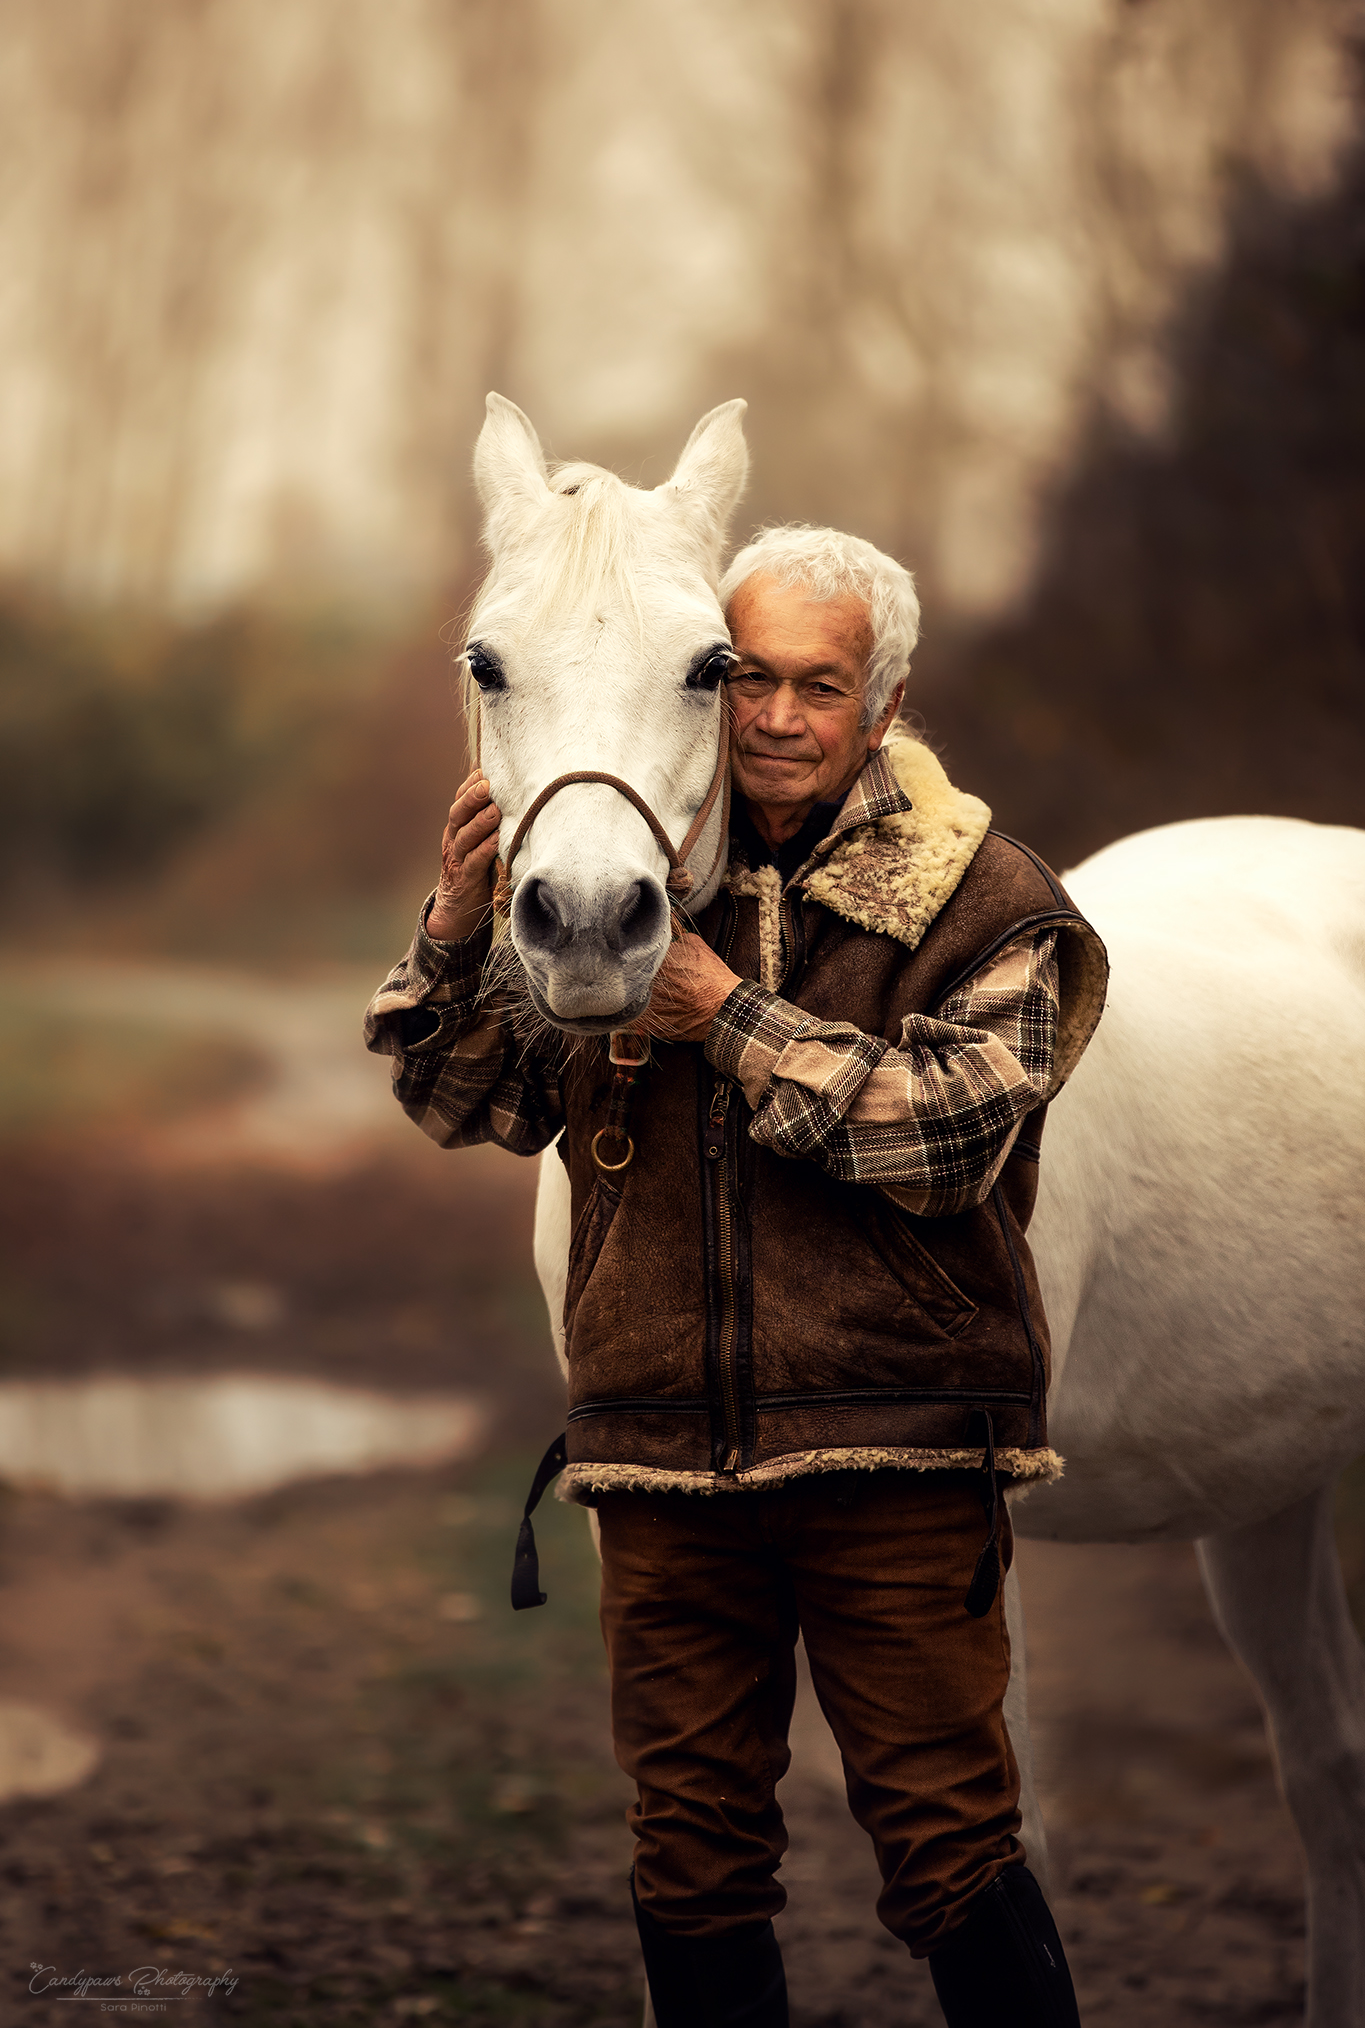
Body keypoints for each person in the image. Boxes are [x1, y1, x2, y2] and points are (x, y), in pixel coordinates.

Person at [365, 525, 1107, 2027]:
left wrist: (727, 1016)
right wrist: (451, 934)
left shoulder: (994, 903)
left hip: (894, 1456)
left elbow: (948, 1138)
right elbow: (467, 1109)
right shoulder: (623, 881)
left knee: (948, 1846)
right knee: (689, 1859)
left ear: (882, 707)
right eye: (743, 678)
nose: (771, 716)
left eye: (815, 687)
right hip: (657, 1461)